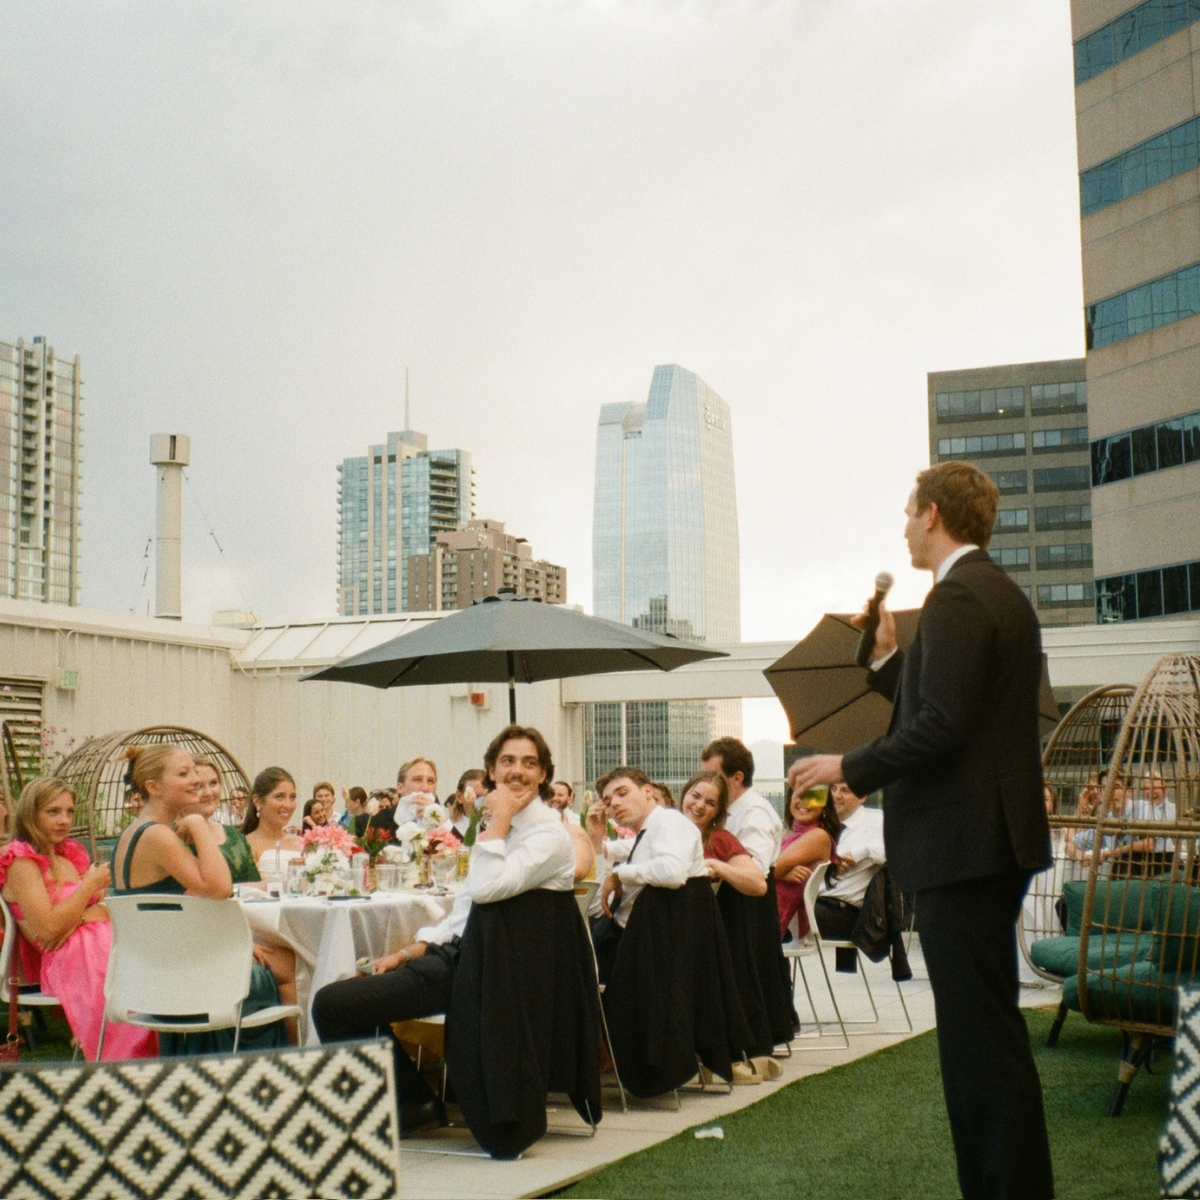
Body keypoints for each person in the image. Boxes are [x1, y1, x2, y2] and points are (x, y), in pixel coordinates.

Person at [791, 460, 1055, 1200]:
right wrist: (884, 660)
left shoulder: (956, 598)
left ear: (933, 513)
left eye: (910, 512)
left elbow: (940, 726)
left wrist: (848, 763)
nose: (905, 525)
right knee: (986, 1038)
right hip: (983, 848)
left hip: (963, 851)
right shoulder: (987, 593)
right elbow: (946, 706)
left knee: (978, 1049)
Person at [313, 725, 574, 1137]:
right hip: (458, 958)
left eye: (529, 763)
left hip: (492, 976)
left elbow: (487, 890)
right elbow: (463, 913)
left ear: (544, 774)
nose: (517, 771)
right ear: (491, 769)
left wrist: (500, 819)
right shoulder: (503, 829)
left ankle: (412, 1104)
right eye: (508, 761)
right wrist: (405, 953)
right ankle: (411, 1101)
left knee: (333, 1005)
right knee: (339, 1002)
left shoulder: (549, 835)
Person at [112, 745, 288, 1055]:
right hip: (187, 979)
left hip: (157, 973)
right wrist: (197, 824)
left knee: (273, 957)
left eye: (194, 770)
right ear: (154, 788)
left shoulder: (134, 832)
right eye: (184, 774)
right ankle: (287, 1065)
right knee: (290, 964)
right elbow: (220, 887)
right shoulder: (157, 835)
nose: (195, 779)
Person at [0, 778, 156, 1061]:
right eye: (53, 811)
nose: (64, 820)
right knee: (127, 965)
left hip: (97, 939)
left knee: (151, 955)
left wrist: (81, 915)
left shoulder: (68, 856)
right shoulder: (22, 861)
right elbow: (47, 929)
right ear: (30, 814)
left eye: (69, 812)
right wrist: (88, 887)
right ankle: (124, 1059)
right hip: (65, 955)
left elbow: (107, 909)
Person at [592, 767, 708, 983]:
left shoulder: (669, 821)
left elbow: (673, 872)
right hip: (640, 943)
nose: (614, 803)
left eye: (622, 793)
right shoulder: (649, 830)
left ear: (648, 791)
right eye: (608, 802)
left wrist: (619, 873)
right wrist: (596, 837)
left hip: (658, 955)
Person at [814, 782, 885, 969]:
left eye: (845, 791)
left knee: (770, 920)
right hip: (816, 905)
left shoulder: (876, 820)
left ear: (862, 797)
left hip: (844, 913)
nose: (836, 796)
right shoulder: (821, 822)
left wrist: (861, 853)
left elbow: (901, 847)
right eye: (833, 789)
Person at [679, 769, 766, 896]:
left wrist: (713, 864)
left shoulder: (719, 839)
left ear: (717, 811)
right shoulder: (662, 828)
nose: (700, 805)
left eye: (710, 803)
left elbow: (759, 885)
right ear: (684, 794)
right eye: (695, 796)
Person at [775, 782, 841, 939]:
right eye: (798, 796)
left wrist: (778, 872)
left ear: (824, 806)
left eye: (812, 798)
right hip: (760, 909)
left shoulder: (817, 836)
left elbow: (762, 872)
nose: (804, 802)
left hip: (769, 919)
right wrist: (782, 873)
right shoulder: (787, 835)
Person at [242, 767, 303, 877]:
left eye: (292, 797)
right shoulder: (246, 845)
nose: (288, 805)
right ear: (257, 801)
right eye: (279, 797)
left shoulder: (300, 842)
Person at [369, 759, 439, 837]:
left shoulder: (442, 824)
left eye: (430, 781)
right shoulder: (378, 821)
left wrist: (440, 822)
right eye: (418, 780)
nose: (425, 788)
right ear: (400, 788)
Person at [449, 769, 486, 841]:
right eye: (476, 797)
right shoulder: (451, 827)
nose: (481, 802)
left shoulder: (498, 826)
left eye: (484, 797)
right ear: (459, 797)